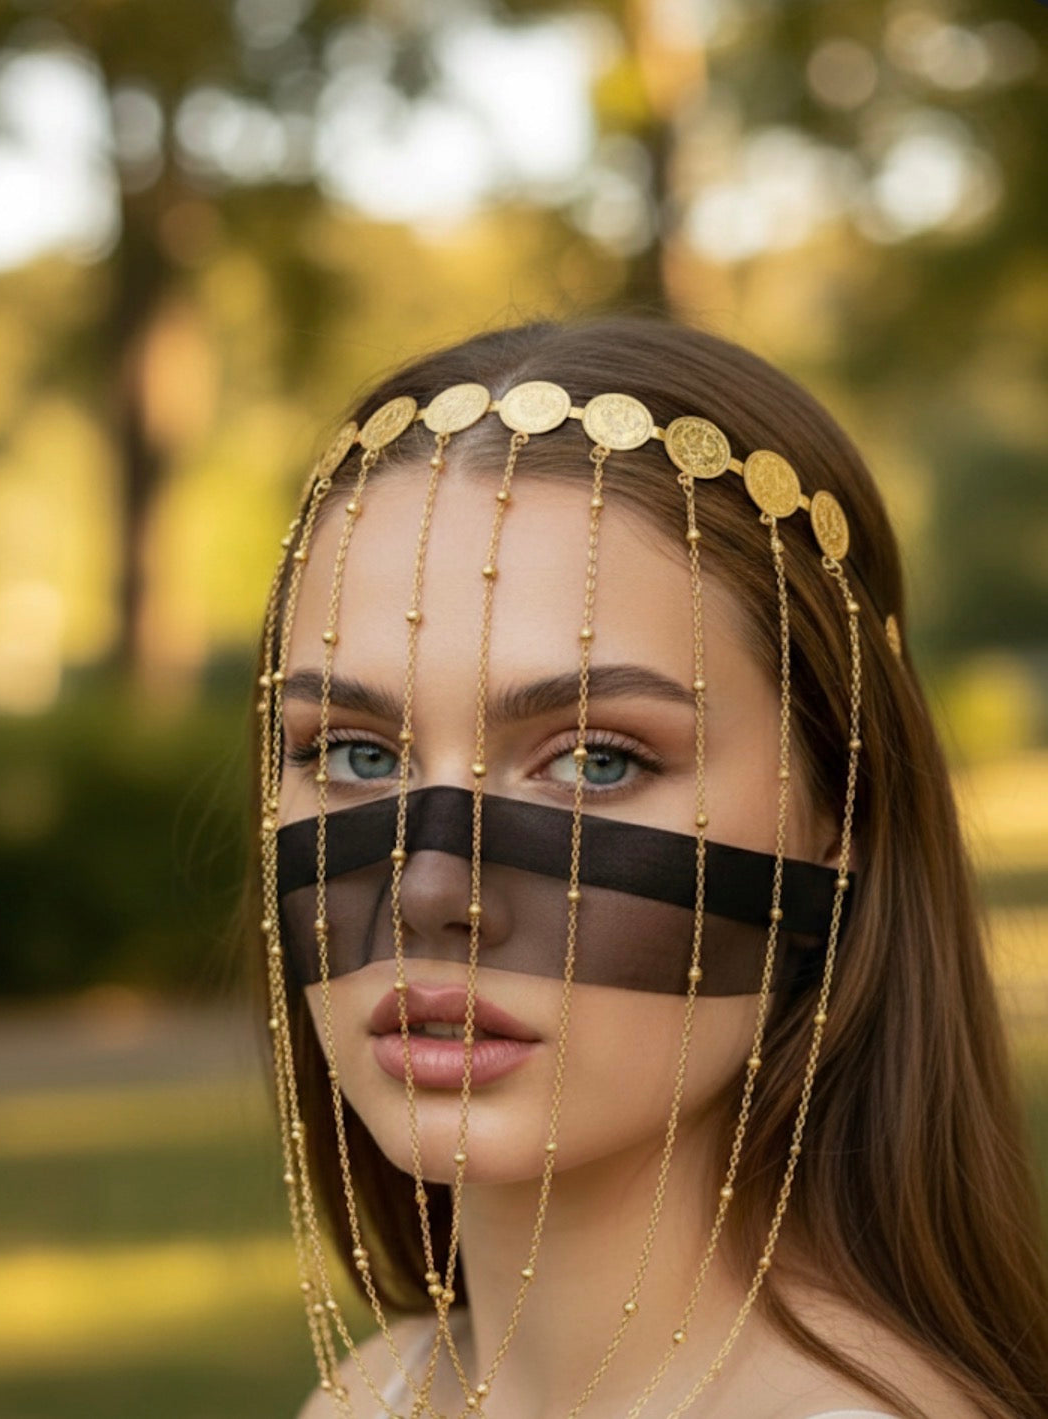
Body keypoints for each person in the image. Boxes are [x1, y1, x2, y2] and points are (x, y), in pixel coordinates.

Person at [245, 316, 1048, 1419]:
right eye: (352, 754)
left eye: (593, 761)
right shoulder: (373, 1395)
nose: (427, 891)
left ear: (839, 815)